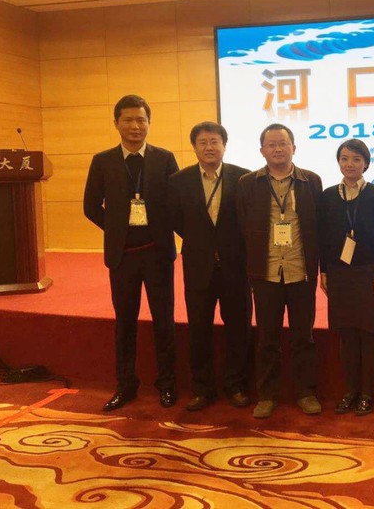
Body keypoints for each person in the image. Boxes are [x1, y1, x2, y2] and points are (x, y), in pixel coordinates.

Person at [83, 94, 179, 411]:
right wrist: (116, 230)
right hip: (122, 256)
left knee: (164, 320)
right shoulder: (103, 160)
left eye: (141, 120)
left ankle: (167, 384)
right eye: (128, 120)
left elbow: (176, 203)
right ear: (116, 123)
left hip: (157, 254)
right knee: (125, 322)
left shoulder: (164, 159)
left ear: (149, 123)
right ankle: (126, 385)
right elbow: (90, 206)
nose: (135, 126)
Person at [236, 123, 322, 419]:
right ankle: (267, 395)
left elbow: (317, 226)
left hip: (301, 270)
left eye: (283, 143)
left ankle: (306, 392)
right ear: (262, 150)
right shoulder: (248, 183)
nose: (277, 149)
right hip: (266, 272)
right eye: (271, 144)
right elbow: (242, 226)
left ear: (293, 148)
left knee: (303, 336)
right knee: (267, 337)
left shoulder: (311, 181)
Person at [168, 122, 252, 411]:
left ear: (224, 145)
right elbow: (176, 220)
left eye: (214, 141)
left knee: (238, 328)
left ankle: (237, 386)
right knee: (199, 329)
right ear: (194, 147)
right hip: (198, 266)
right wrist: (202, 241)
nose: (209, 147)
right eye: (202, 142)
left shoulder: (243, 178)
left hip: (235, 266)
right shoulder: (178, 181)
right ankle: (203, 389)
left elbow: (248, 219)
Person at [317, 139, 374, 416]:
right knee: (346, 333)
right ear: (339, 162)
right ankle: (350, 391)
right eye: (345, 159)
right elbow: (324, 238)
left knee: (368, 333)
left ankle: (367, 393)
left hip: (368, 272)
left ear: (366, 164)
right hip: (338, 274)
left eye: (356, 159)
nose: (350, 164)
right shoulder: (328, 196)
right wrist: (324, 270)